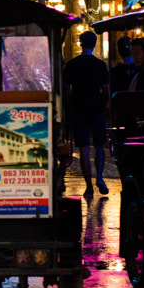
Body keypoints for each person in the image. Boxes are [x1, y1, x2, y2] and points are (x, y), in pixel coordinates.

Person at [63, 31, 109, 197]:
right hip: (96, 109)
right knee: (99, 146)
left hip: (78, 109)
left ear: (80, 43)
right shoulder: (100, 65)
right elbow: (106, 90)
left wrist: (69, 107)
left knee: (83, 148)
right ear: (94, 44)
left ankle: (88, 185)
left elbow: (67, 91)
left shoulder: (71, 64)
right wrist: (104, 104)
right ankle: (100, 178)